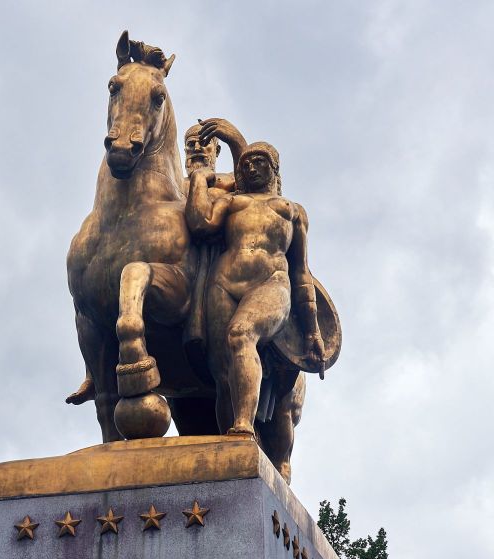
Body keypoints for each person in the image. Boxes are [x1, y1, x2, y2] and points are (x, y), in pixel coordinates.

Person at [65, 119, 247, 406]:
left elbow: (256, 186)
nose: (197, 149)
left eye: (205, 144)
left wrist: (235, 140)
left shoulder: (226, 181)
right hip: (179, 251)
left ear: (216, 151)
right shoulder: (176, 186)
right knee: (90, 281)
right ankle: (95, 373)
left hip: (210, 249)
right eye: (190, 145)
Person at [185, 140, 325, 436]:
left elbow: (301, 272)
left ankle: (244, 427)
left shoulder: (292, 211)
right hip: (223, 283)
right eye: (246, 163)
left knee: (241, 332)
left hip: (271, 283)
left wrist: (312, 330)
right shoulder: (233, 202)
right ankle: (230, 447)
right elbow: (200, 224)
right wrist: (199, 180)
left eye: (259, 161)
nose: (250, 166)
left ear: (274, 167)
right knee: (223, 373)